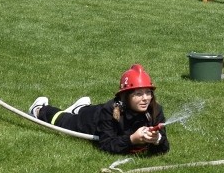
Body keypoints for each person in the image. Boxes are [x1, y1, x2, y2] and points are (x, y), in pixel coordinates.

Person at [29, 64, 169, 155]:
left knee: (83, 111)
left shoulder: (155, 110)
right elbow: (106, 145)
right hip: (91, 122)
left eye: (148, 92)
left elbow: (164, 148)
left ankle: (80, 107)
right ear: (126, 96)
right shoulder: (111, 111)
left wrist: (158, 139)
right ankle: (39, 110)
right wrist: (132, 139)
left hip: (98, 111)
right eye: (138, 94)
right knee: (63, 121)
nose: (145, 98)